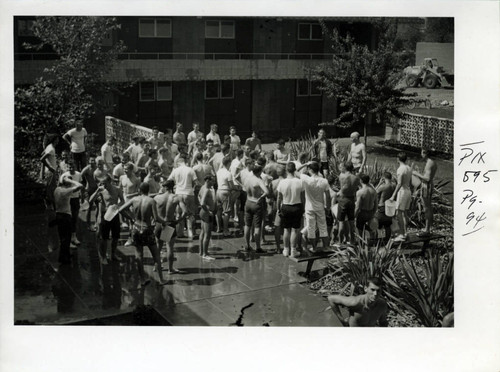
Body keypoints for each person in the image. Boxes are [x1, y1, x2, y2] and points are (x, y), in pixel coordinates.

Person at [117, 182, 166, 286]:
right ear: (148, 190)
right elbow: (156, 218)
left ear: (139, 190)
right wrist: (165, 222)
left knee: (139, 255)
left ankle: (142, 279)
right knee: (156, 255)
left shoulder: (134, 199)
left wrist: (131, 218)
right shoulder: (151, 201)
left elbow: (120, 210)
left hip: (136, 227)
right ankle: (161, 280)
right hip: (147, 229)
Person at [89, 174, 125, 265]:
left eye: (105, 183)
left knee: (115, 236)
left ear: (110, 182)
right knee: (104, 238)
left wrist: (117, 206)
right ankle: (103, 256)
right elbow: (90, 201)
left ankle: (113, 254)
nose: (103, 185)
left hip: (114, 214)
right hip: (105, 215)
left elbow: (122, 201)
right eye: (101, 183)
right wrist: (97, 190)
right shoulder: (101, 191)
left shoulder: (117, 189)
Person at [299, 161, 331, 252]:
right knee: (323, 228)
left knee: (311, 228)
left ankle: (314, 247)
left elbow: (294, 171)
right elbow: (328, 196)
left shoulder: (306, 179)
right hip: (320, 206)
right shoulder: (324, 181)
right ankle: (325, 246)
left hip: (309, 207)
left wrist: (305, 164)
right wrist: (327, 207)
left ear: (310, 169)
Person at [53, 175, 84, 264]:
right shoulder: (66, 191)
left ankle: (65, 254)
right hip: (65, 216)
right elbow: (80, 185)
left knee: (63, 237)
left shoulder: (57, 189)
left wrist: (65, 180)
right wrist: (71, 181)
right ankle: (63, 258)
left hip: (58, 214)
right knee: (66, 238)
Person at [154, 180, 183, 274]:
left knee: (158, 247)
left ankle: (157, 266)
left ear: (164, 187)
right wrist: (178, 220)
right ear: (172, 187)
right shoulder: (176, 197)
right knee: (169, 247)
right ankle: (170, 269)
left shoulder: (157, 197)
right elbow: (185, 211)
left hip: (159, 223)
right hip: (169, 223)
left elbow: (153, 211)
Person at [277, 162, 304, 258]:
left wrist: (278, 208)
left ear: (286, 170)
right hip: (297, 206)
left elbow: (279, 198)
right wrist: (303, 208)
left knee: (286, 229)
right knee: (295, 230)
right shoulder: (299, 182)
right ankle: (293, 249)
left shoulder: (282, 182)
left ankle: (285, 249)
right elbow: (302, 197)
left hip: (285, 206)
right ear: (294, 170)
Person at [167, 154, 198, 239]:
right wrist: (193, 189)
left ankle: (179, 232)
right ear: (185, 162)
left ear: (178, 163)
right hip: (189, 193)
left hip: (178, 193)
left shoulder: (175, 170)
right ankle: (190, 232)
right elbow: (196, 182)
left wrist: (173, 188)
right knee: (190, 214)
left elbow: (169, 181)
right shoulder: (190, 170)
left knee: (179, 213)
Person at [243, 164, 269, 253]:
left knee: (247, 225)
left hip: (248, 201)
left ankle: (247, 245)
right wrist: (261, 198)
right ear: (259, 172)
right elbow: (267, 192)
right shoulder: (258, 180)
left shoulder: (247, 179)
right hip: (256, 203)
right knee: (257, 226)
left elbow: (244, 188)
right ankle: (258, 247)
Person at [413, 148, 438, 236]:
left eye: (422, 153)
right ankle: (428, 229)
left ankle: (427, 231)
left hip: (426, 187)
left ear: (425, 153)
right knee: (429, 208)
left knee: (426, 208)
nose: (421, 155)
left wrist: (416, 174)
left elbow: (427, 178)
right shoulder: (432, 162)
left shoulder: (429, 163)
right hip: (429, 186)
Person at [389, 152, 413, 242]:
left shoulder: (400, 169)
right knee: (405, 213)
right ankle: (405, 233)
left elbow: (399, 184)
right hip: (408, 191)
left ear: (398, 159)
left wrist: (393, 195)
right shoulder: (409, 168)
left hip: (402, 192)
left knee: (398, 213)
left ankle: (401, 235)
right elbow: (410, 182)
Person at [60, 161, 83, 247]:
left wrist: (82, 197)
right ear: (67, 167)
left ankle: (74, 237)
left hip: (75, 199)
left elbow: (81, 186)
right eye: (69, 167)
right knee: (67, 219)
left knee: (75, 218)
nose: (71, 168)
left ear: (75, 166)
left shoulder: (78, 174)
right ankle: (67, 239)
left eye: (73, 167)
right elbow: (60, 187)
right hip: (67, 199)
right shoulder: (64, 176)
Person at [337, 161, 360, 244]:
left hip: (343, 199)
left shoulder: (342, 176)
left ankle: (340, 242)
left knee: (341, 222)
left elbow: (342, 188)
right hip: (351, 200)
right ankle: (352, 240)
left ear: (345, 168)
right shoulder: (356, 178)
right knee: (351, 221)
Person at [198, 175, 217, 261]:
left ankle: (201, 251)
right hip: (206, 214)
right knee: (207, 234)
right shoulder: (206, 190)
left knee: (202, 232)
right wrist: (208, 211)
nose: (214, 182)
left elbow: (198, 196)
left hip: (202, 212)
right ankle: (205, 254)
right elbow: (202, 203)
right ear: (208, 181)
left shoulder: (202, 187)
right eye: (212, 181)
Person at [216, 156, 234, 236]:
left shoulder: (219, 171)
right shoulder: (228, 173)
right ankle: (226, 230)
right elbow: (231, 185)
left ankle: (219, 228)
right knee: (226, 212)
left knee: (218, 211)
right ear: (229, 163)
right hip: (225, 191)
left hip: (218, 191)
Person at [355, 174, 378, 238]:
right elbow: (376, 205)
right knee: (371, 229)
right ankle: (372, 243)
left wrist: (354, 216)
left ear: (361, 181)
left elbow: (358, 207)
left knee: (360, 229)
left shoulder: (360, 192)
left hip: (362, 213)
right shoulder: (374, 191)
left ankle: (362, 243)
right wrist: (373, 213)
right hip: (370, 212)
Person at [40, 133, 59, 209]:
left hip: (51, 171)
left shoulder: (49, 147)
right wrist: (50, 168)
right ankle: (53, 207)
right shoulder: (51, 148)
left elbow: (42, 154)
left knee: (51, 189)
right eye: (57, 140)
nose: (58, 141)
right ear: (54, 140)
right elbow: (42, 159)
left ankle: (50, 206)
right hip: (50, 172)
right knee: (52, 190)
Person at [375, 172, 396, 241]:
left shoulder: (383, 186)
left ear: (383, 178)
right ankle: (387, 241)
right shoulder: (394, 185)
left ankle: (380, 241)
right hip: (390, 207)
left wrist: (379, 183)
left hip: (382, 207)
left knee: (379, 225)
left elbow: (374, 192)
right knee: (388, 225)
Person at [81, 155, 99, 231]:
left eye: (94, 160)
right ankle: (88, 224)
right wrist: (82, 189)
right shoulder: (86, 169)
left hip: (96, 189)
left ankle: (96, 223)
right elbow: (80, 177)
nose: (92, 162)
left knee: (99, 206)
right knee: (89, 207)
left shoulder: (97, 168)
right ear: (89, 161)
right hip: (89, 190)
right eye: (91, 160)